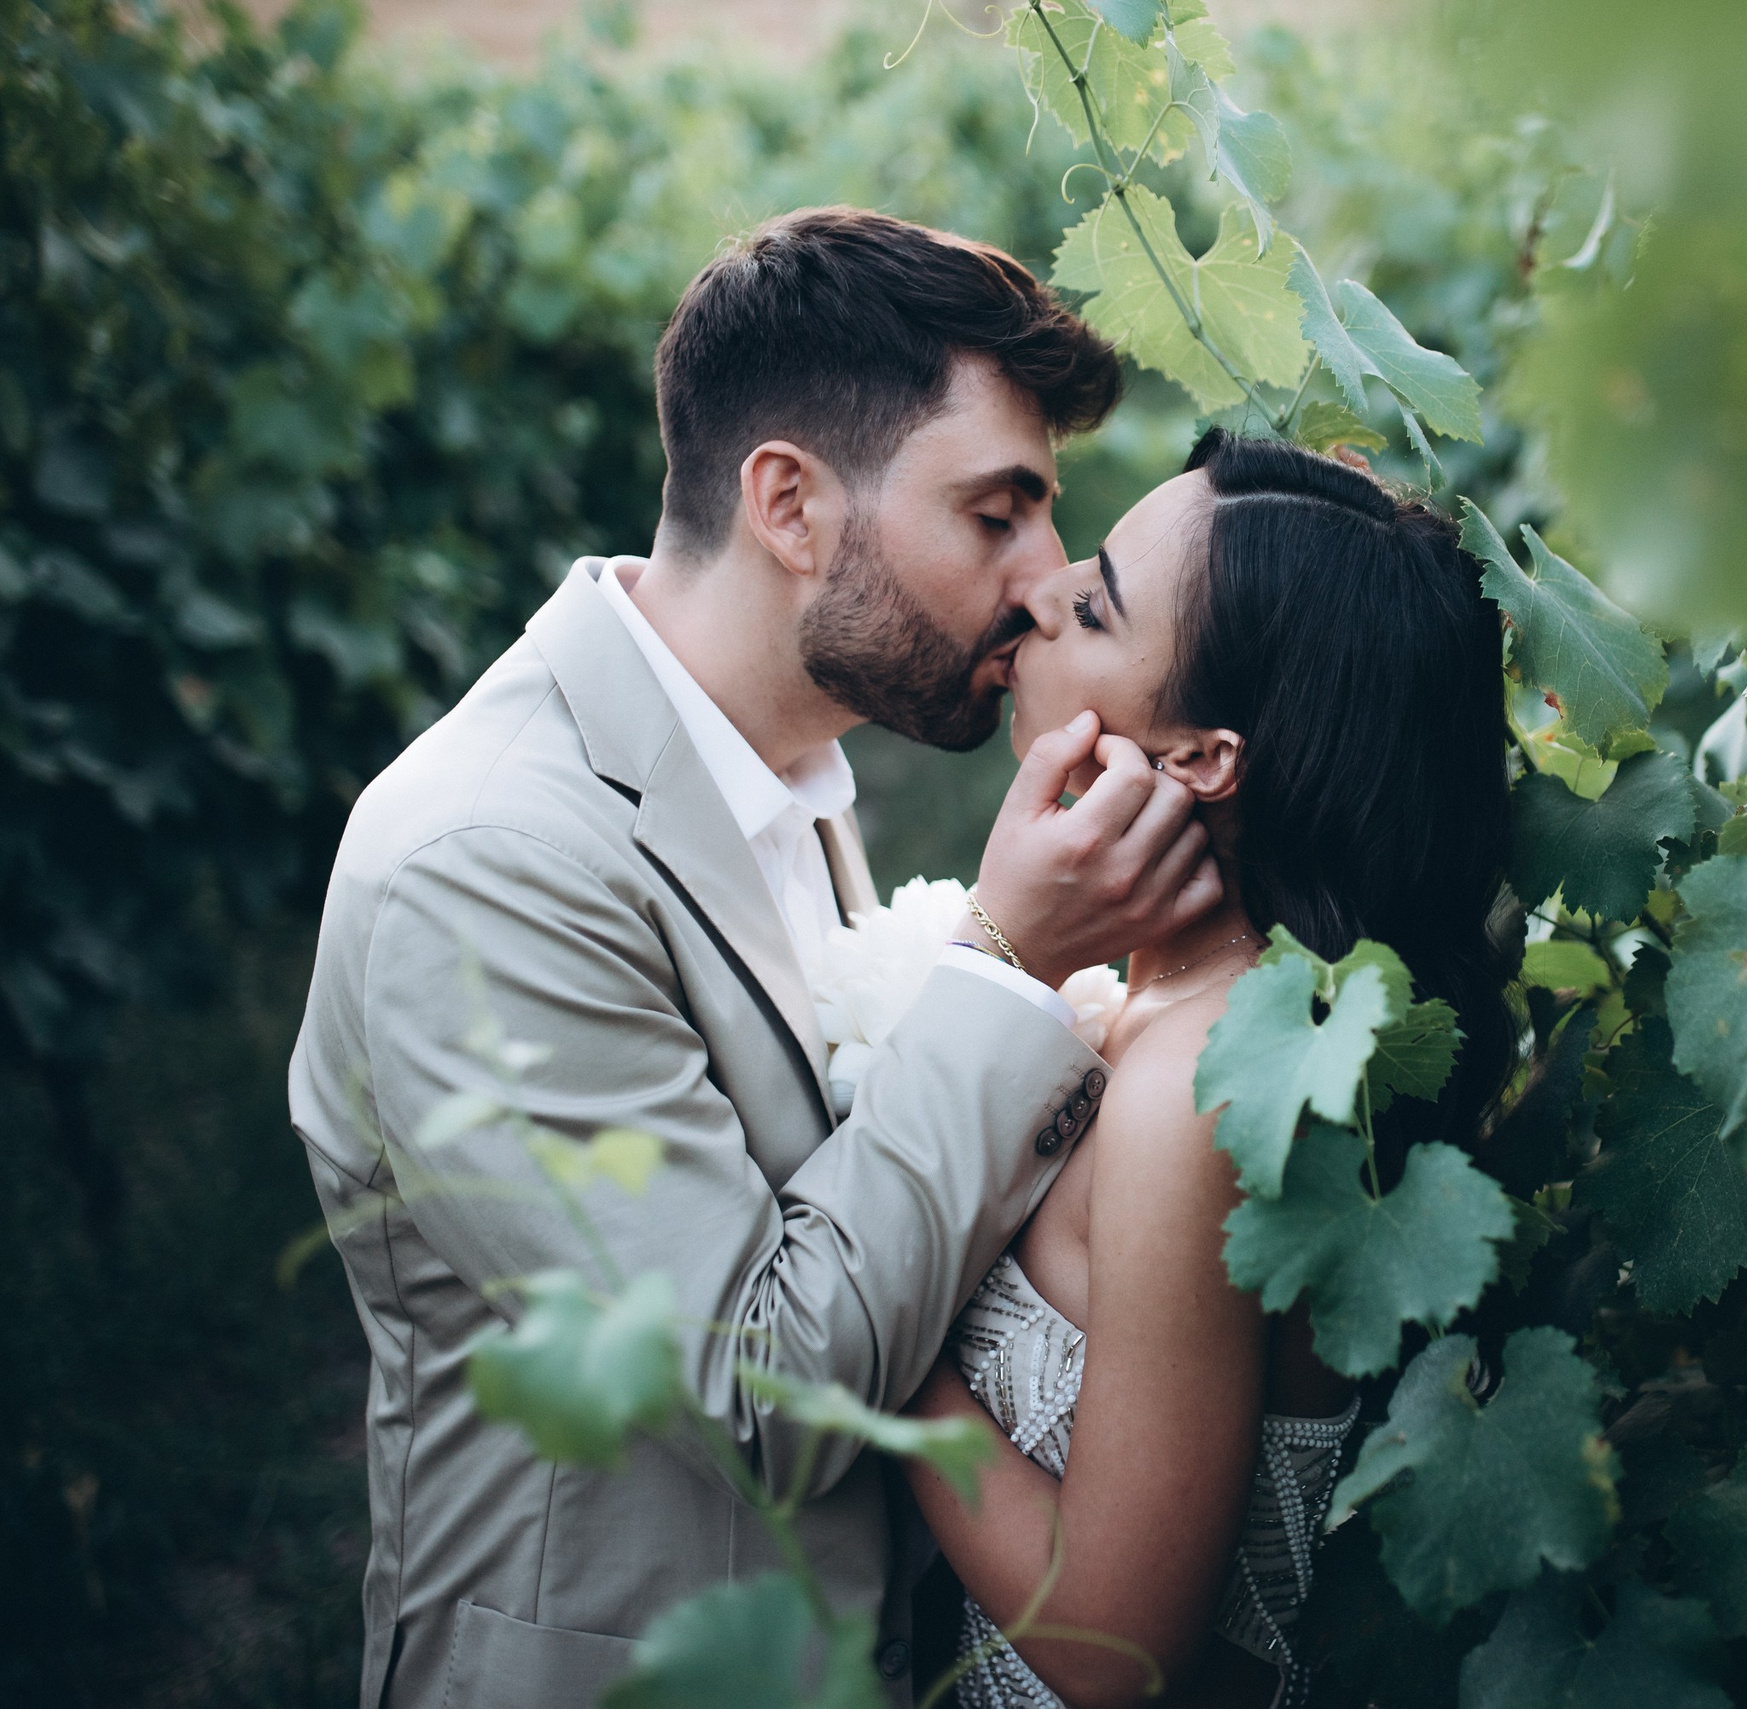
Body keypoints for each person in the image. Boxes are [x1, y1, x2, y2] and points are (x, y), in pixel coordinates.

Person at [287, 207, 1222, 1709]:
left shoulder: (771, 768)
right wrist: (998, 961)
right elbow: (756, 1390)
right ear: (789, 502)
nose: (1044, 580)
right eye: (996, 515)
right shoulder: (488, 861)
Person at [900, 430, 1515, 1709]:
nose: (1037, 590)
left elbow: (1110, 1646)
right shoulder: (1147, 1011)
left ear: (1198, 756)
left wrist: (881, 1357)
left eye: (1097, 601)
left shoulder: (1202, 1093)